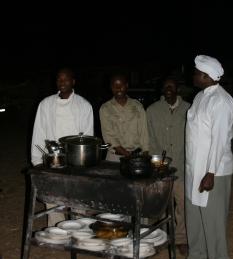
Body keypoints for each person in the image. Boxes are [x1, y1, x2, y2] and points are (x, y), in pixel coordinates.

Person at [177, 55, 233, 259]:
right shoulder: (201, 97)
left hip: (214, 170)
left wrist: (210, 172)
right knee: (195, 214)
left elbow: (220, 140)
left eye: (196, 72)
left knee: (213, 218)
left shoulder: (221, 101)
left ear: (205, 76)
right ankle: (198, 255)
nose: (193, 75)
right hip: (195, 167)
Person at [31, 67, 94, 226]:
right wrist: (37, 161)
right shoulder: (45, 104)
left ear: (73, 82)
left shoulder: (84, 105)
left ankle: (81, 229)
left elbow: (87, 136)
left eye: (66, 79)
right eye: (59, 79)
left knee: (78, 199)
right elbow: (39, 132)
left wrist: (84, 162)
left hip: (76, 161)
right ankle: (56, 230)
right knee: (54, 199)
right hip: (54, 160)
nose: (62, 82)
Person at [146, 76, 190, 256]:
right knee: (156, 206)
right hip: (159, 168)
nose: (169, 89)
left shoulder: (189, 109)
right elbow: (149, 138)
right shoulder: (152, 110)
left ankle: (181, 239)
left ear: (178, 88)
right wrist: (155, 164)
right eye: (165, 86)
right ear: (162, 89)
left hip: (182, 164)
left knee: (183, 205)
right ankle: (154, 237)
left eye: (172, 86)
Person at [99, 73, 149, 161]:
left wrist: (145, 154)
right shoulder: (105, 108)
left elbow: (144, 132)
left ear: (126, 86)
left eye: (121, 85)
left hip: (137, 157)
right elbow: (109, 137)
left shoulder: (137, 106)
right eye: (115, 86)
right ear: (111, 87)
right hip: (115, 158)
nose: (118, 88)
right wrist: (128, 155)